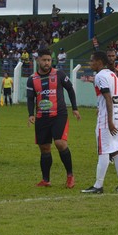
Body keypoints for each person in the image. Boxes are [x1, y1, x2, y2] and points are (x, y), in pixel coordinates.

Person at [27, 47, 79, 188]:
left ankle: (70, 176)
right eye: (44, 60)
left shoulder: (59, 74)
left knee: (60, 143)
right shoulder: (32, 79)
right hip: (42, 117)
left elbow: (70, 89)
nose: (47, 63)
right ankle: (46, 180)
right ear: (38, 60)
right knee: (44, 148)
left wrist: (74, 108)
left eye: (49, 60)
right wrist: (31, 114)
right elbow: (30, 98)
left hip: (59, 115)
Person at [82, 50, 118, 194]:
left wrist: (108, 119)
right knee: (115, 150)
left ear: (99, 62)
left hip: (108, 118)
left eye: (92, 60)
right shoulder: (112, 74)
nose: (90, 63)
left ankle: (98, 185)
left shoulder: (100, 76)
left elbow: (108, 97)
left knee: (103, 151)